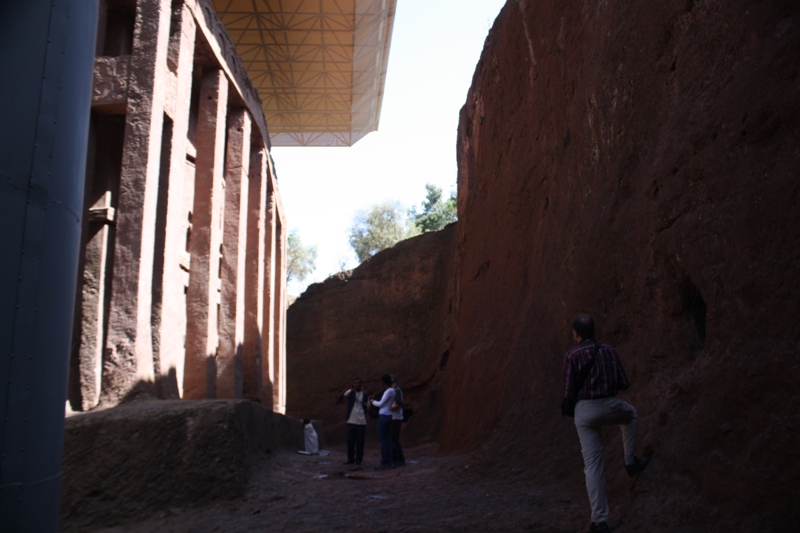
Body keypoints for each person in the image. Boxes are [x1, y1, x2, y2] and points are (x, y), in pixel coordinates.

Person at [562, 314, 649, 533]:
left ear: (576, 334)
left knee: (592, 465)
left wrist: (572, 407)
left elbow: (568, 391)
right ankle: (630, 462)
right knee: (630, 416)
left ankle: (600, 521)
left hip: (585, 411)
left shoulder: (572, 355)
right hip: (610, 405)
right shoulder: (609, 350)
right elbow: (623, 382)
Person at [338, 377, 368, 465]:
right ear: (353, 384)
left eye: (359, 383)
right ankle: (350, 459)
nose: (357, 385)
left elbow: (367, 406)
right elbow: (341, 396)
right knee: (350, 441)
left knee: (360, 442)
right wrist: (348, 388)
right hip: (351, 420)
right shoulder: (350, 392)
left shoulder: (364, 394)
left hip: (361, 421)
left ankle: (359, 459)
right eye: (355, 383)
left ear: (361, 385)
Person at [371, 374, 396, 470]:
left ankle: (384, 462)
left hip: (383, 416)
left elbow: (380, 404)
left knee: (383, 441)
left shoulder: (388, 391)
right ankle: (390, 462)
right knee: (387, 440)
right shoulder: (392, 391)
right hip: (388, 415)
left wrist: (372, 401)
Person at [389, 375, 406, 467]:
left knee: (394, 440)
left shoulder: (396, 390)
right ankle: (396, 459)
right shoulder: (394, 390)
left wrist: (388, 408)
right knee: (393, 440)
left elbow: (399, 404)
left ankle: (400, 460)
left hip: (396, 418)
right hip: (394, 417)